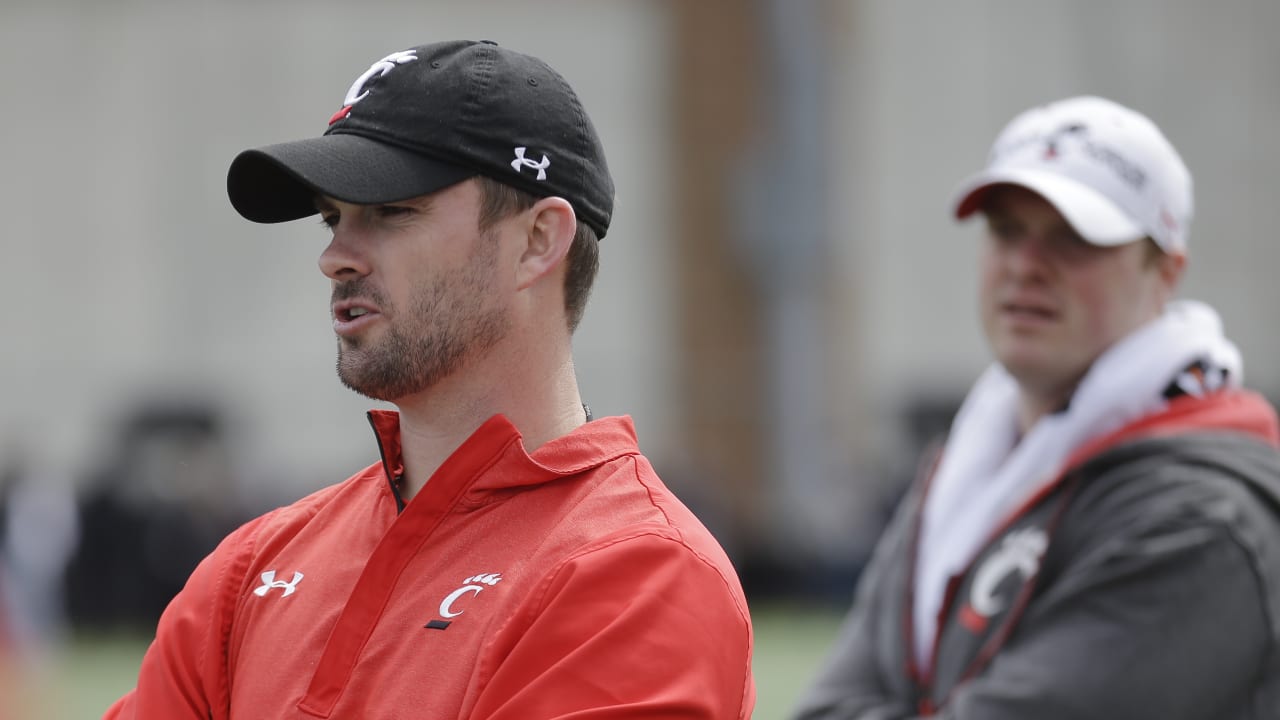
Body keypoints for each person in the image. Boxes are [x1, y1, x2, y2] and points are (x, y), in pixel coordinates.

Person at [106, 39, 755, 719]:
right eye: (333, 217)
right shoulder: (251, 568)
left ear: (537, 241)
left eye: (391, 210)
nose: (335, 256)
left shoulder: (637, 574)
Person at [793, 95, 1280, 719]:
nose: (1026, 266)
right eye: (1006, 230)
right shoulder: (966, 469)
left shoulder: (1205, 520)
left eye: (1074, 239)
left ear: (1166, 272)